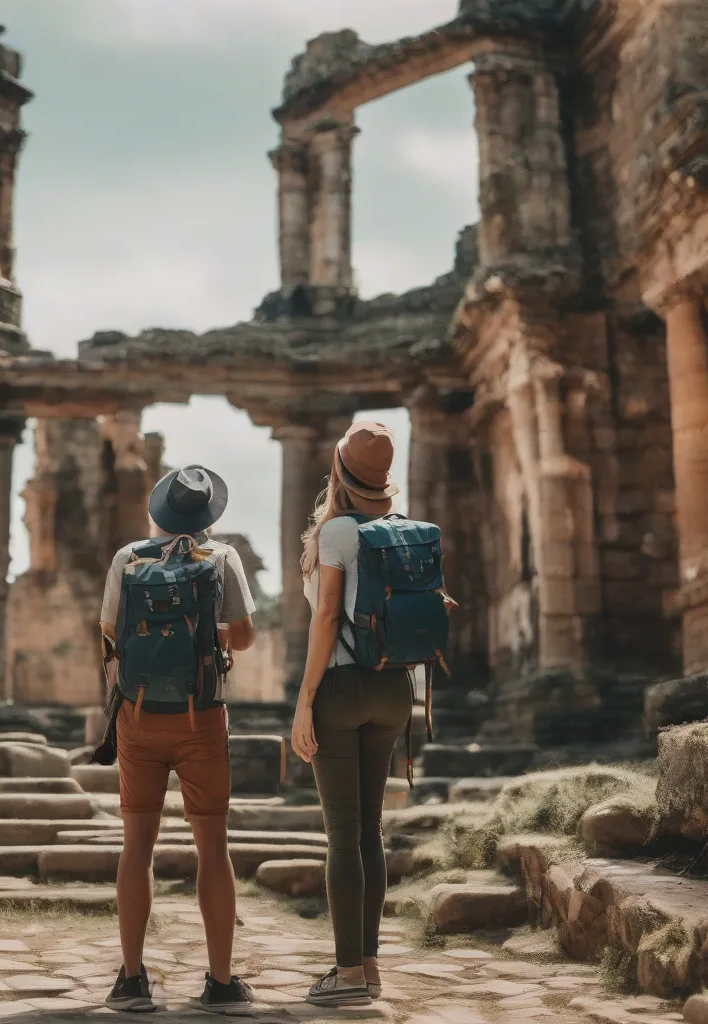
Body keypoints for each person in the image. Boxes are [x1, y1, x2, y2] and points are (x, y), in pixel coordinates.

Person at [99, 465, 258, 1015]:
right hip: (201, 717)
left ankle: (132, 980)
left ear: (160, 510)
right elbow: (244, 635)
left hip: (139, 718)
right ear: (207, 515)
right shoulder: (223, 558)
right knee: (213, 845)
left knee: (136, 844)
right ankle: (219, 982)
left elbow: (109, 631)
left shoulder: (128, 557)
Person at [290, 422, 414, 1007]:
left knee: (343, 832)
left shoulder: (337, 532)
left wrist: (306, 697)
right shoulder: (405, 533)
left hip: (343, 688)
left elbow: (326, 619)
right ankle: (368, 965)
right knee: (370, 829)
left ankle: (345, 974)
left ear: (338, 472)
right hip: (395, 690)